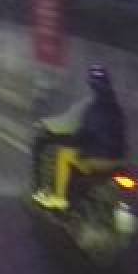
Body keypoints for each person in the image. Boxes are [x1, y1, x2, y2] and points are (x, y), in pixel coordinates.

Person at [31, 65, 128, 211]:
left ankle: (59, 198)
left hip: (99, 160)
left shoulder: (94, 106)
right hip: (118, 160)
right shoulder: (116, 107)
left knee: (63, 155)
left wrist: (73, 141)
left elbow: (87, 132)